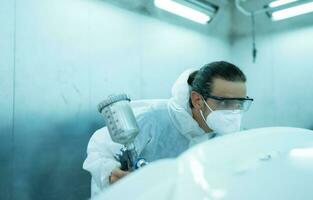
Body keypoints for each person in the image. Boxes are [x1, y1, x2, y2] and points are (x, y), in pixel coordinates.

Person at [83, 61, 253, 196]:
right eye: (225, 103)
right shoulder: (154, 118)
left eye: (240, 103)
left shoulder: (223, 132)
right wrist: (110, 172)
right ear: (197, 100)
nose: (234, 111)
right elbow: (100, 150)